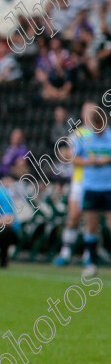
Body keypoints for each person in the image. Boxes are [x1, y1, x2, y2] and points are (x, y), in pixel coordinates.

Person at [72, 106, 111, 277]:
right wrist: (90, 162)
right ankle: (92, 264)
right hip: (91, 186)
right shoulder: (85, 138)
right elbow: (74, 158)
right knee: (91, 225)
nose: (98, 129)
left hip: (109, 186)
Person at [55, 102, 94, 265]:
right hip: (79, 181)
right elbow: (69, 156)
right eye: (86, 111)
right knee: (73, 217)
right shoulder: (77, 134)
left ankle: (89, 255)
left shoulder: (104, 133)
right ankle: (65, 252)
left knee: (91, 220)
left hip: (97, 183)